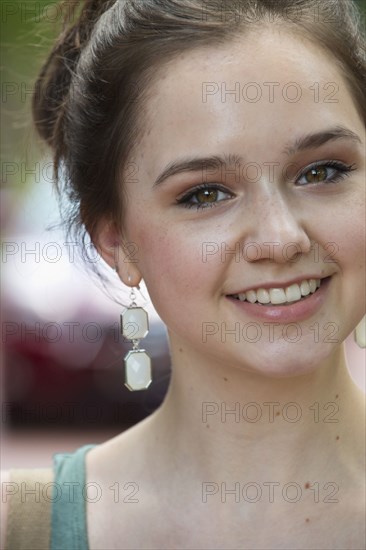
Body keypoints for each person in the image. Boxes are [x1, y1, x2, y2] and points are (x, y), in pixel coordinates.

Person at [1, 0, 365, 548]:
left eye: (323, 171)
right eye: (205, 194)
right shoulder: (21, 528)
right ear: (118, 243)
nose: (281, 238)